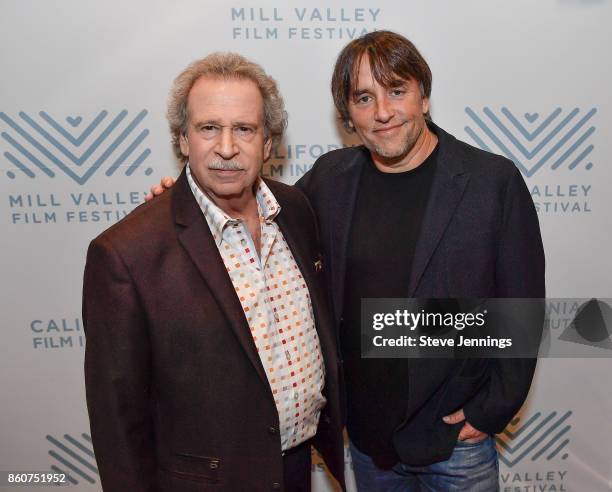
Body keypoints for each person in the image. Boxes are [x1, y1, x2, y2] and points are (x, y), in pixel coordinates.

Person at [148, 31, 545, 491]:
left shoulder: (490, 181)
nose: (382, 112)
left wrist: (490, 409)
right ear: (348, 116)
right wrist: (184, 203)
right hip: (368, 441)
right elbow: (251, 204)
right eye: (363, 98)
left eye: (397, 90)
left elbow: (523, 306)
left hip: (455, 441)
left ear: (424, 97)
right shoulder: (331, 180)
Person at [83, 52, 345, 492]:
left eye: (244, 129)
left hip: (298, 469)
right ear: (183, 140)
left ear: (267, 143)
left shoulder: (296, 211)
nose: (226, 148)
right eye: (209, 128)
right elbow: (118, 421)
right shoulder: (128, 253)